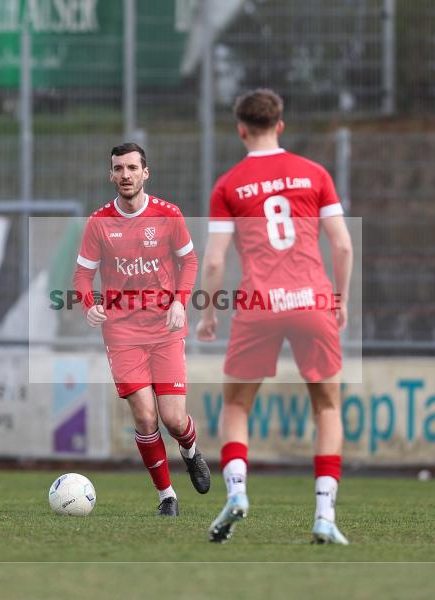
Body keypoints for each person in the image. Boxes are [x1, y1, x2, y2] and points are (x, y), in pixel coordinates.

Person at [196, 89, 354, 544]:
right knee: (326, 406)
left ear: (241, 129)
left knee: (236, 404)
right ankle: (324, 514)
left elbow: (213, 261)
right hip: (312, 301)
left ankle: (237, 492)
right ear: (280, 124)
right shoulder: (315, 174)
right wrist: (339, 298)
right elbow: (342, 245)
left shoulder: (228, 186)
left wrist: (207, 314)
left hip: (258, 304)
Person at [73, 142, 210, 516]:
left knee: (173, 419)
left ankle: (190, 450)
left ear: (145, 173)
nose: (125, 175)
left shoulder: (168, 214)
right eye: (118, 169)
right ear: (111, 175)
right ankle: (167, 496)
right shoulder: (99, 222)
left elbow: (190, 261)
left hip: (164, 328)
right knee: (146, 417)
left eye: (132, 168)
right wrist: (91, 305)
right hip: (122, 333)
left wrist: (181, 301)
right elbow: (82, 276)